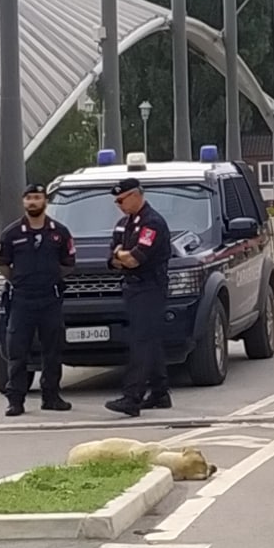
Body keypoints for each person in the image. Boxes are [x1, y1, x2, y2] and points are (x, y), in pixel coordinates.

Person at [0, 184, 75, 417]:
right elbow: (3, 264)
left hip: (50, 299)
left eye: (37, 197)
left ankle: (51, 397)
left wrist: (49, 278)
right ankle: (16, 400)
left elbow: (68, 263)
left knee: (52, 350)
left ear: (45, 201)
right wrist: (21, 281)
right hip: (22, 300)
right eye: (29, 198)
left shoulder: (59, 232)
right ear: (24, 202)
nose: (33, 202)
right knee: (17, 351)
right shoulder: (12, 234)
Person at [105, 178, 174, 417]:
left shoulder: (152, 223)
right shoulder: (125, 224)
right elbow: (112, 260)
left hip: (150, 288)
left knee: (141, 342)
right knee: (150, 341)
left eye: (122, 200)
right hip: (133, 288)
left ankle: (132, 397)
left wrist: (122, 255)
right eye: (117, 201)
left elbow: (134, 259)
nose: (119, 205)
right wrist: (121, 256)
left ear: (136, 195)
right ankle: (159, 392)